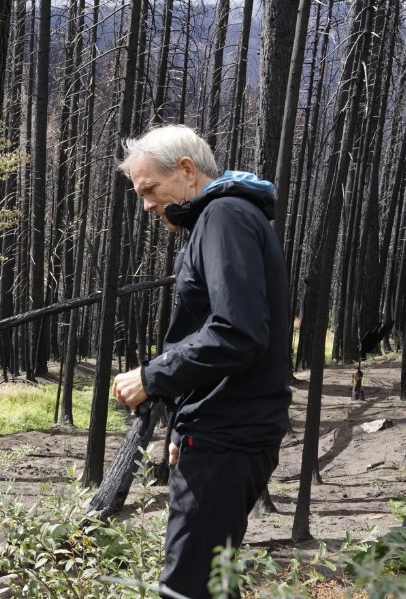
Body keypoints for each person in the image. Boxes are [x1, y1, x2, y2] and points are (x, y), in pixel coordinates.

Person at [111, 125, 292, 599]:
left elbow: (238, 332)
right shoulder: (229, 216)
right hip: (222, 432)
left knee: (187, 589)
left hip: (229, 436)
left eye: (150, 190)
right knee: (212, 582)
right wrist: (183, 427)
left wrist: (153, 377)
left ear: (188, 171)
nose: (146, 205)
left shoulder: (224, 217)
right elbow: (220, 335)